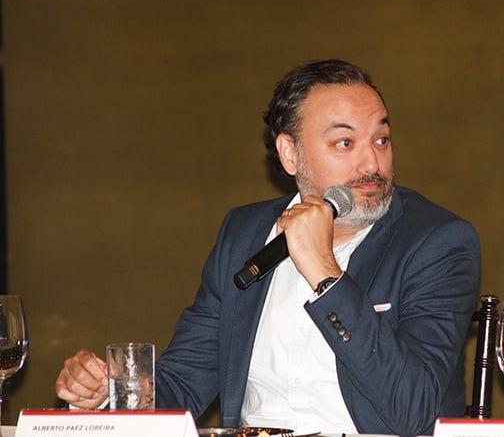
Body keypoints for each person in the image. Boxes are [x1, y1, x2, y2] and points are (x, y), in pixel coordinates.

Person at [55, 59, 481, 436]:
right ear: (290, 154)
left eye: (381, 140)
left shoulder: (436, 242)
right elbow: (185, 380)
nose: (372, 163)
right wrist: (110, 393)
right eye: (345, 143)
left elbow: (415, 412)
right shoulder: (245, 233)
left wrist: (325, 273)